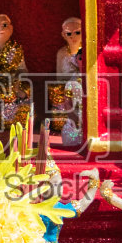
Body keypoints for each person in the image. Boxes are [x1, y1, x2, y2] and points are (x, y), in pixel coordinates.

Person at [49, 15, 84, 145]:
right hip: (67, 88)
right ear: (63, 35)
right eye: (68, 34)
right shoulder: (62, 53)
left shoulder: (85, 52)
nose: (72, 37)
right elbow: (59, 77)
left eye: (77, 33)